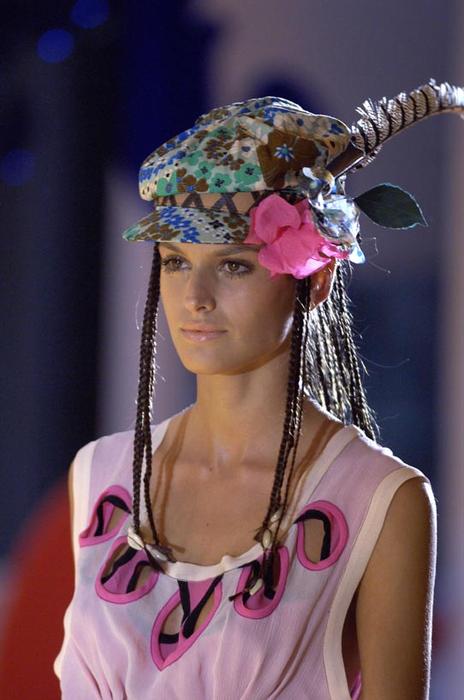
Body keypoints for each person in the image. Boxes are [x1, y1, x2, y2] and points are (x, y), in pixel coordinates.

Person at [53, 88, 448, 699]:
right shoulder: (101, 472)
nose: (195, 298)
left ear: (316, 277)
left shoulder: (379, 499)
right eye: (176, 261)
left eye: (234, 264)